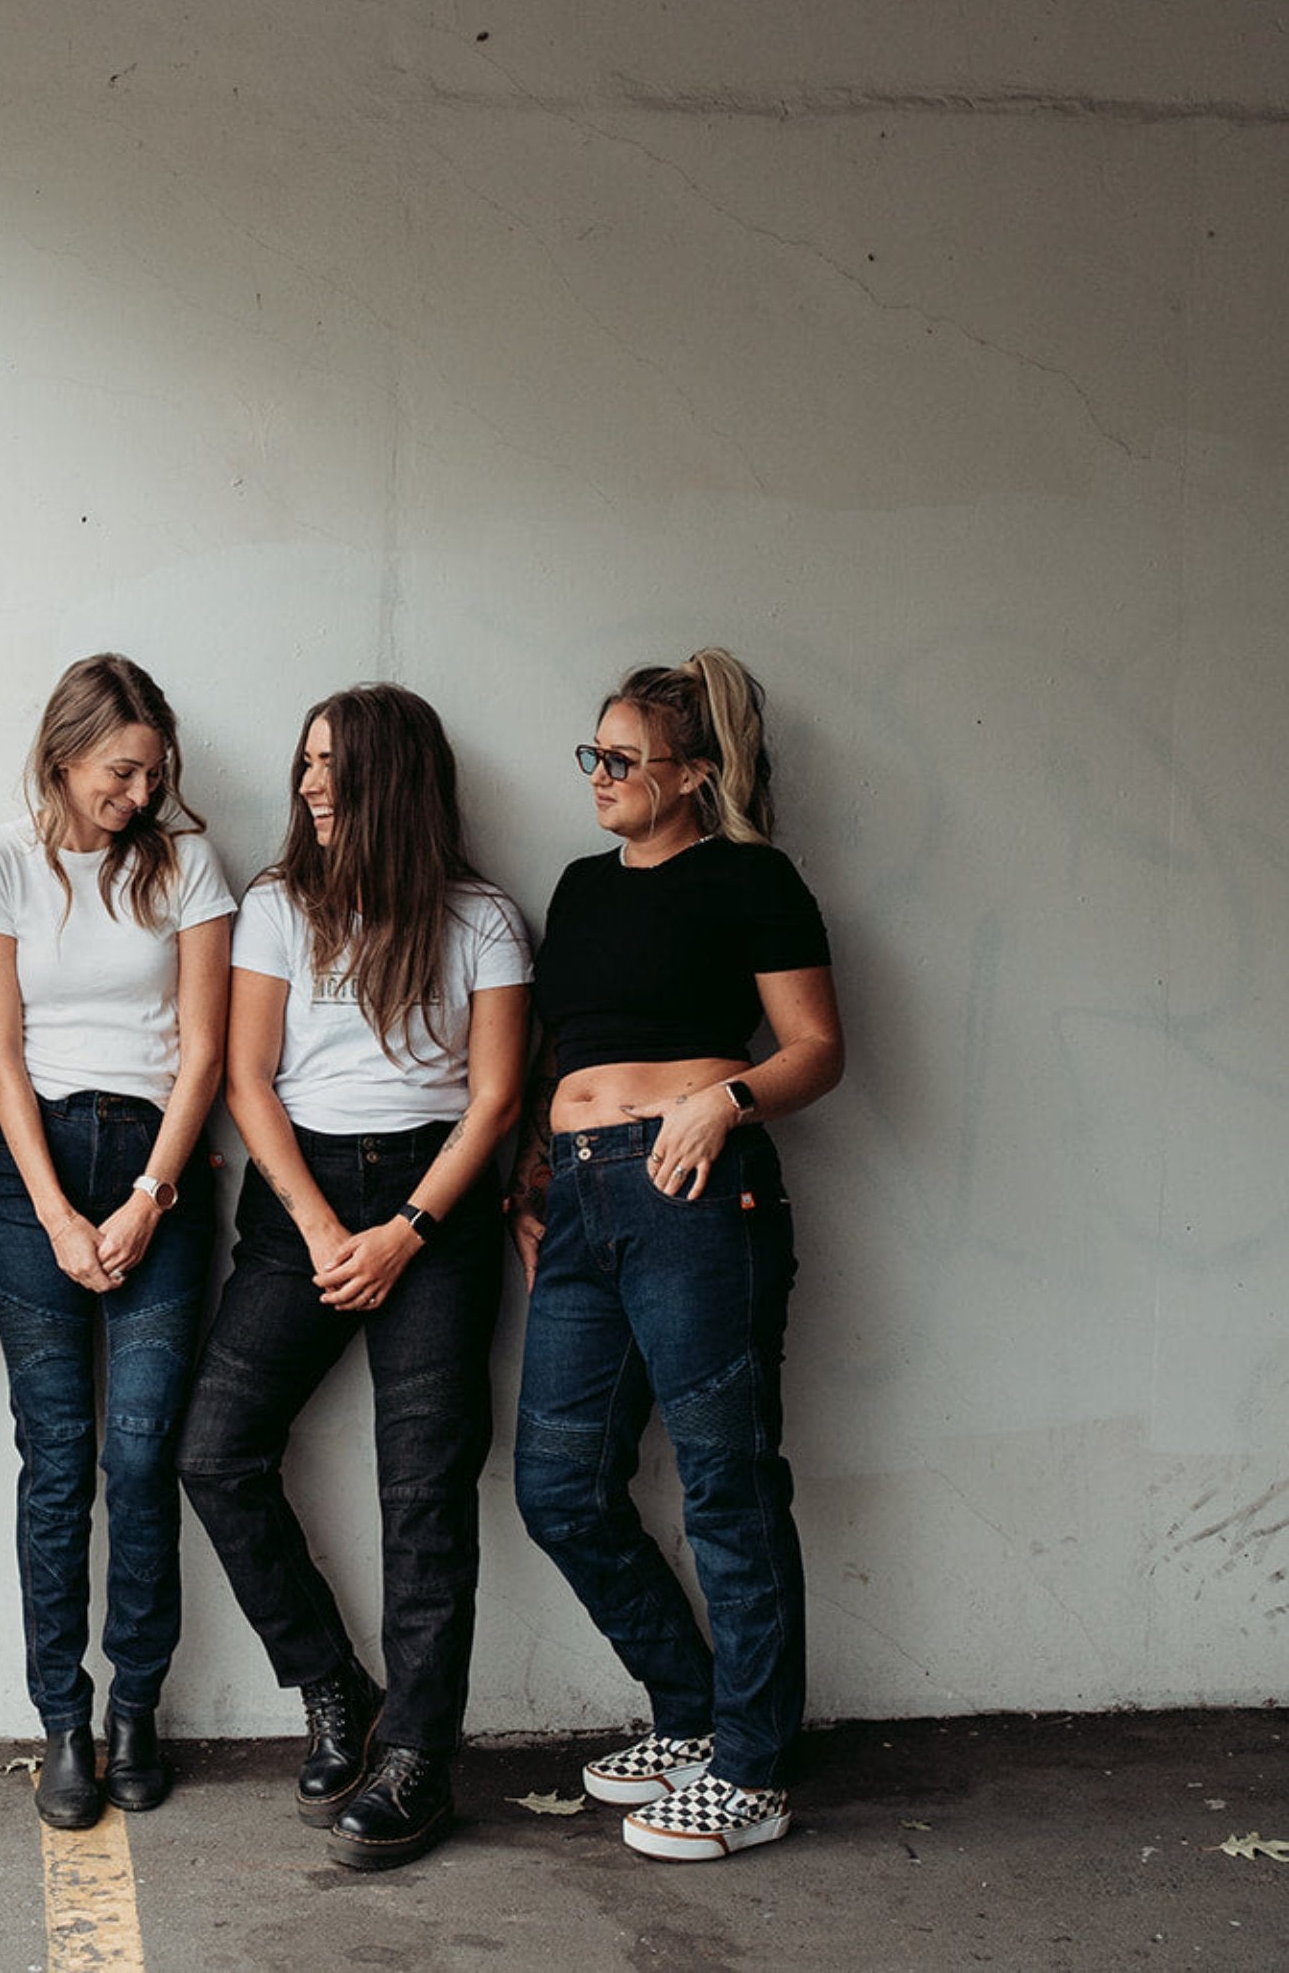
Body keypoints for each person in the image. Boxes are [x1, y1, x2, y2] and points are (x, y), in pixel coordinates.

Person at [178, 684, 531, 1871]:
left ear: (393, 777)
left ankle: (420, 1758)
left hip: (440, 1203)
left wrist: (406, 1231)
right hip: (302, 1201)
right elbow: (246, 1079)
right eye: (306, 763)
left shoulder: (483, 918)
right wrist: (328, 1227)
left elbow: (494, 1098)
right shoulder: (279, 906)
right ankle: (335, 1683)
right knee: (213, 1446)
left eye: (334, 766)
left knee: (424, 1490)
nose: (311, 785)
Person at [508, 648, 844, 1863]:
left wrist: (730, 1099)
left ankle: (752, 1769)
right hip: (584, 1202)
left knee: (729, 1483)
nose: (597, 775)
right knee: (558, 1486)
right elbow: (566, 1048)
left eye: (623, 758)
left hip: (694, 1187)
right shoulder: (581, 885)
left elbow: (816, 1045)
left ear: (695, 773)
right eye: (590, 753)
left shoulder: (751, 877)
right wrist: (532, 1179)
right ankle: (694, 1710)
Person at [0, 654, 234, 1828]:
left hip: (159, 1167)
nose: (139, 790)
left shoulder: (187, 864)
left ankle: (136, 1710)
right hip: (37, 1183)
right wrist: (61, 1210)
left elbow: (209, 1051)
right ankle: (61, 1719)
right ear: (66, 752)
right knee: (58, 1458)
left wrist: (147, 1197)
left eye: (153, 771)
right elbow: (0, 1055)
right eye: (123, 768)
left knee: (140, 1456)